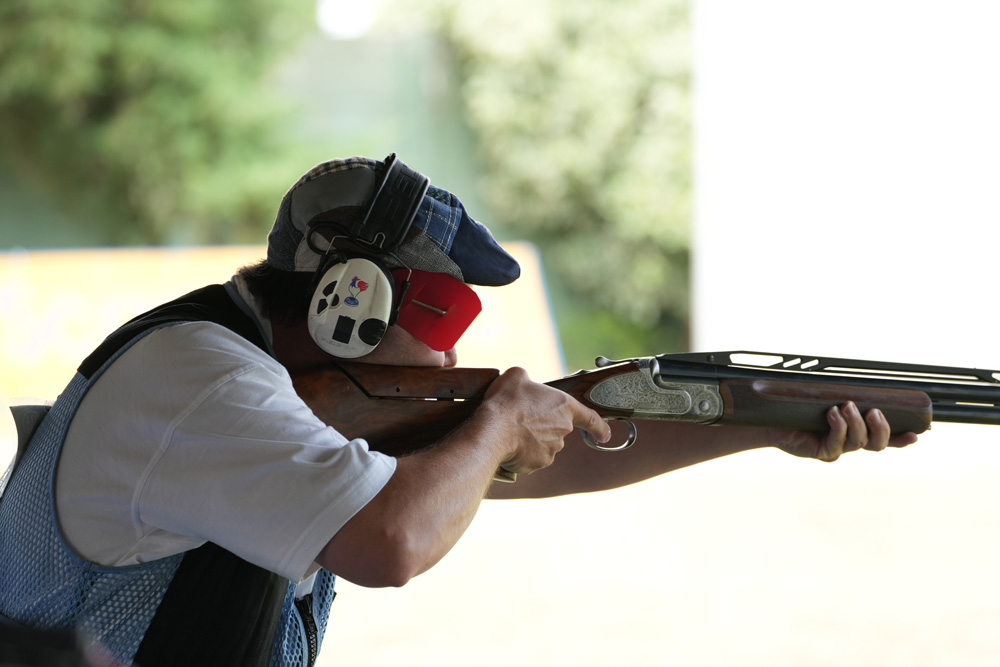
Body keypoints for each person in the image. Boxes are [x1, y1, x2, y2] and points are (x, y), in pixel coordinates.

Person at [0, 154, 917, 666]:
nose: (449, 356)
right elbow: (392, 544)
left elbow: (573, 453)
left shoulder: (266, 386)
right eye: (445, 314)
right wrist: (493, 426)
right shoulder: (208, 382)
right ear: (348, 302)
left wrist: (763, 423)